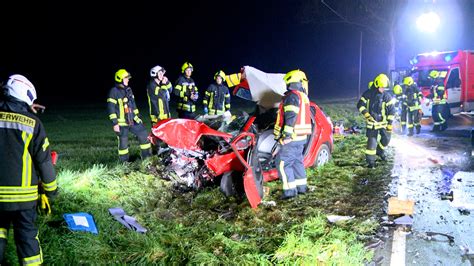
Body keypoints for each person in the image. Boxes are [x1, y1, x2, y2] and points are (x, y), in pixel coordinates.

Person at [0, 74, 58, 265]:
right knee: (27, 240)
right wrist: (51, 191)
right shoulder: (33, 124)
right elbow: (44, 162)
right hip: (24, 200)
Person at [273, 70, 312, 200]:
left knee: (283, 164)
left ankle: (289, 193)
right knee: (297, 163)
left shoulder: (292, 97)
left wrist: (286, 136)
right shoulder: (303, 97)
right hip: (301, 138)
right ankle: (302, 188)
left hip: (292, 138)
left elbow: (290, 117)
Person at [107, 69, 151, 162]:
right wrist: (115, 123)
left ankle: (147, 159)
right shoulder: (113, 91)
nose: (128, 80)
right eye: (126, 78)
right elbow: (111, 108)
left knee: (143, 134)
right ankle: (124, 164)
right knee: (123, 144)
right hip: (121, 123)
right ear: (120, 79)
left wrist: (137, 117)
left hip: (132, 121)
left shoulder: (128, 90)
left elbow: (133, 105)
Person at [357, 73, 396, 168]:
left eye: (385, 88)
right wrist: (366, 114)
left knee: (386, 140)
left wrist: (390, 124)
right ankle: (371, 162)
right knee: (371, 144)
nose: (383, 89)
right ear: (377, 85)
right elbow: (360, 105)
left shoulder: (387, 96)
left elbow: (392, 110)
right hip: (372, 124)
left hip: (383, 123)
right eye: (382, 87)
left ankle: (380, 151)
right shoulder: (368, 94)